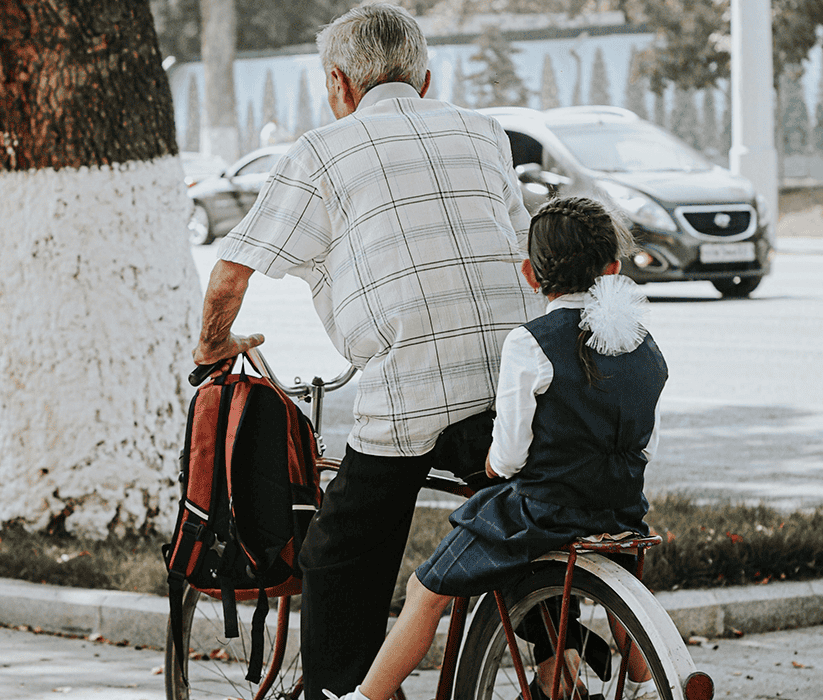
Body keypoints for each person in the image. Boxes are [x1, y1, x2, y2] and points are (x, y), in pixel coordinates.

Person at [189, 4, 543, 699]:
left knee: (339, 553)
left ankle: (347, 691)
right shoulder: (485, 132)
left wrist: (212, 348)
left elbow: (231, 273)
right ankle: (558, 650)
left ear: (339, 84)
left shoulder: (322, 150)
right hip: (518, 381)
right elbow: (527, 250)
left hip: (411, 393)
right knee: (518, 515)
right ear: (426, 80)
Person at [325, 197, 667, 700]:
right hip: (621, 506)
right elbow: (645, 444)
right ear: (613, 269)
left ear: (530, 274)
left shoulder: (531, 342)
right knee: (621, 578)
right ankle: (648, 683)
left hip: (541, 512)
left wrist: (489, 462)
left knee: (426, 590)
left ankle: (362, 698)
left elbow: (508, 457)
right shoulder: (642, 341)